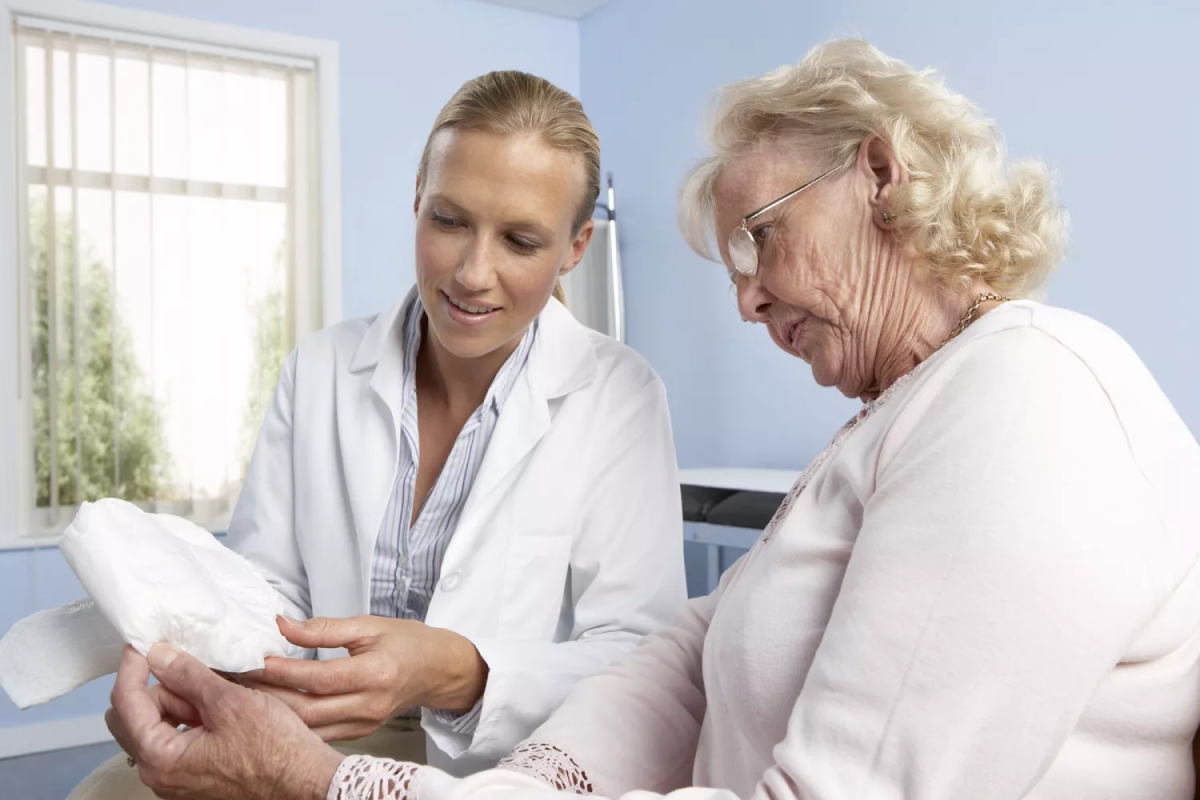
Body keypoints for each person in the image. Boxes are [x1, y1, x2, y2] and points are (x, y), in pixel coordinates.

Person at [107, 39, 1200, 799]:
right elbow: (686, 650)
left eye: (760, 238)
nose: (746, 296)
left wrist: (348, 768)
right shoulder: (895, 417)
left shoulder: (1027, 397)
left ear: (878, 173)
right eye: (734, 257)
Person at [83, 69, 686, 799]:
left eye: (521, 240)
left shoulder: (618, 396)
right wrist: (212, 673)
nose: (472, 272)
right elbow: (266, 585)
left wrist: (458, 670)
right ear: (417, 203)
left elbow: (642, 661)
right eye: (449, 220)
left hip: (501, 763)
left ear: (576, 247)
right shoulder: (322, 367)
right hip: (310, 728)